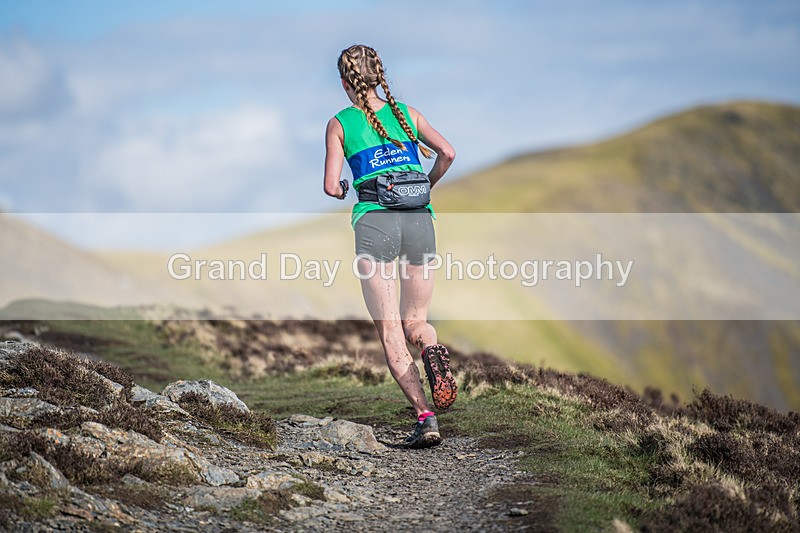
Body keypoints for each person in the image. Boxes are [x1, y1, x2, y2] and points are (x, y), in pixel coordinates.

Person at [323, 44, 457, 449]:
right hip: (420, 221)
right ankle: (432, 350)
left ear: (345, 83)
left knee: (391, 332)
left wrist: (346, 187)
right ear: (380, 76)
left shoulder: (339, 123)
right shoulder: (409, 115)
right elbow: (448, 153)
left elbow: (331, 186)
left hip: (374, 224)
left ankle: (426, 418)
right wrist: (425, 186)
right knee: (416, 321)